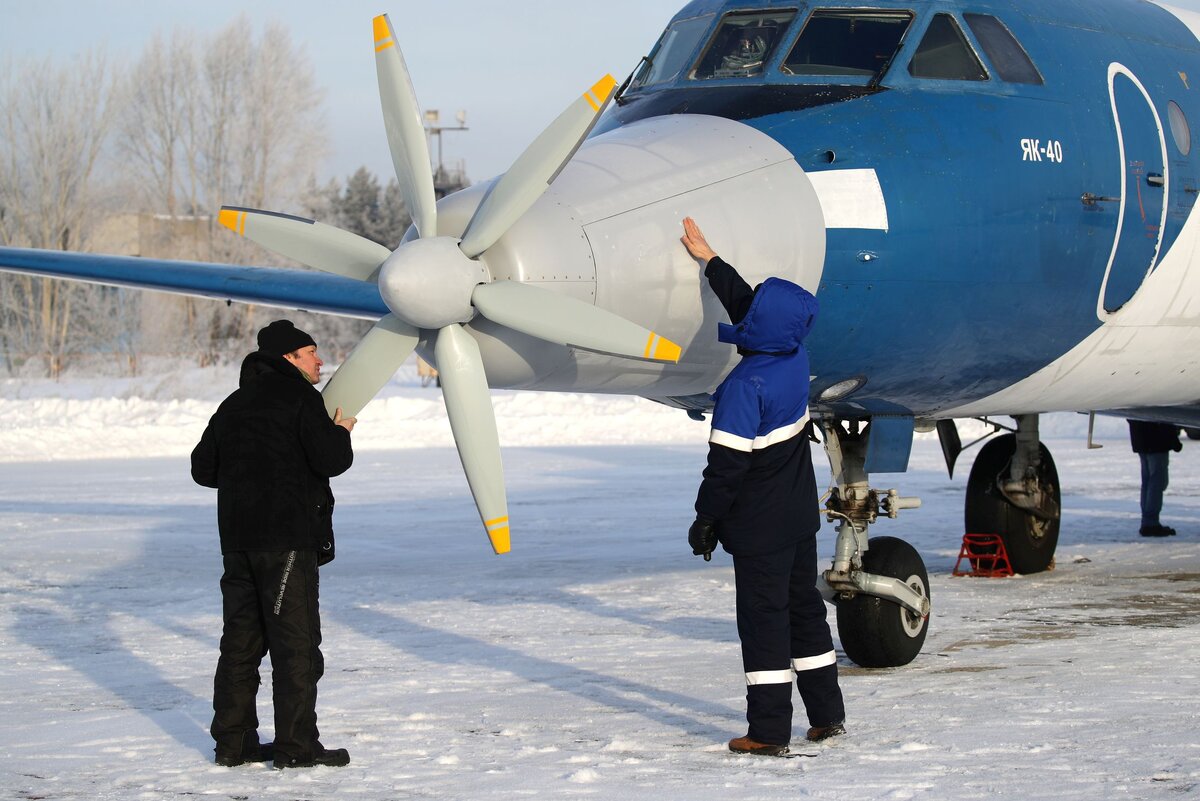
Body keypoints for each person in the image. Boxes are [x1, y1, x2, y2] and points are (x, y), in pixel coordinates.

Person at [680, 217, 845, 757]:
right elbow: (753, 309)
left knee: (764, 624)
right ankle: (826, 715)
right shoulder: (794, 357)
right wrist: (709, 259)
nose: (745, 312)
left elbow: (726, 468)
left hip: (760, 530)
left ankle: (769, 731)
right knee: (805, 611)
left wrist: (706, 521)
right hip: (799, 519)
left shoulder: (743, 388)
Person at [191, 319, 357, 769]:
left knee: (240, 645)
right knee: (295, 647)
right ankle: (296, 747)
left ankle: (234, 743)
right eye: (310, 353)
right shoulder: (303, 399)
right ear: (289, 358)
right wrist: (341, 431)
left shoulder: (233, 404)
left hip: (238, 546)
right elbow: (331, 459)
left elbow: (202, 470)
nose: (320, 360)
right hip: (286, 545)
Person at [1128, 419, 1182, 537]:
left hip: (1142, 440)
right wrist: (1174, 440)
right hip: (1157, 442)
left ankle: (1147, 521)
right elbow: (1163, 417)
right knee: (1157, 483)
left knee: (1148, 482)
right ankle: (1151, 522)